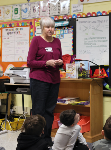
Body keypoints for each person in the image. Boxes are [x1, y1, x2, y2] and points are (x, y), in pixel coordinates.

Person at [27, 17, 63, 146]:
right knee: (38, 111)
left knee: (49, 110)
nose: (50, 29)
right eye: (47, 27)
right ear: (42, 28)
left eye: (52, 27)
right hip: (39, 80)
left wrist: (60, 62)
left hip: (54, 80)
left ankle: (47, 138)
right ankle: (36, 139)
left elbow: (60, 59)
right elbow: (30, 62)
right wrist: (45, 63)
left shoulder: (57, 41)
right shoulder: (36, 40)